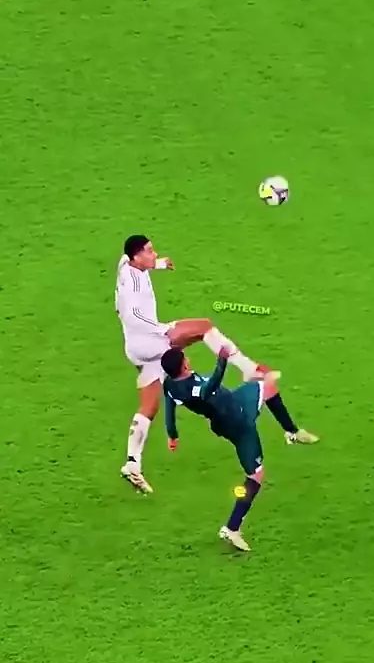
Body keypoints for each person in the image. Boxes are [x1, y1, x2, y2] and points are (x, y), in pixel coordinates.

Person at [115, 235, 272, 493]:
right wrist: (161, 330)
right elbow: (132, 314)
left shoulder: (126, 264)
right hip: (148, 340)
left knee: (149, 405)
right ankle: (248, 370)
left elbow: (123, 299)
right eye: (150, 251)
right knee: (204, 327)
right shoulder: (132, 284)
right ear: (136, 256)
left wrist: (159, 264)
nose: (154, 253)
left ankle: (133, 462)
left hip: (134, 348)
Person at [160, 346, 318, 552]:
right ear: (183, 366)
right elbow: (209, 388)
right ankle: (232, 528)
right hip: (237, 421)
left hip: (233, 402)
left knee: (268, 385)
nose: (188, 359)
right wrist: (222, 361)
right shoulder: (192, 389)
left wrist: (172, 435)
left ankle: (292, 432)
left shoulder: (170, 384)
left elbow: (169, 408)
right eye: (185, 358)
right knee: (256, 475)